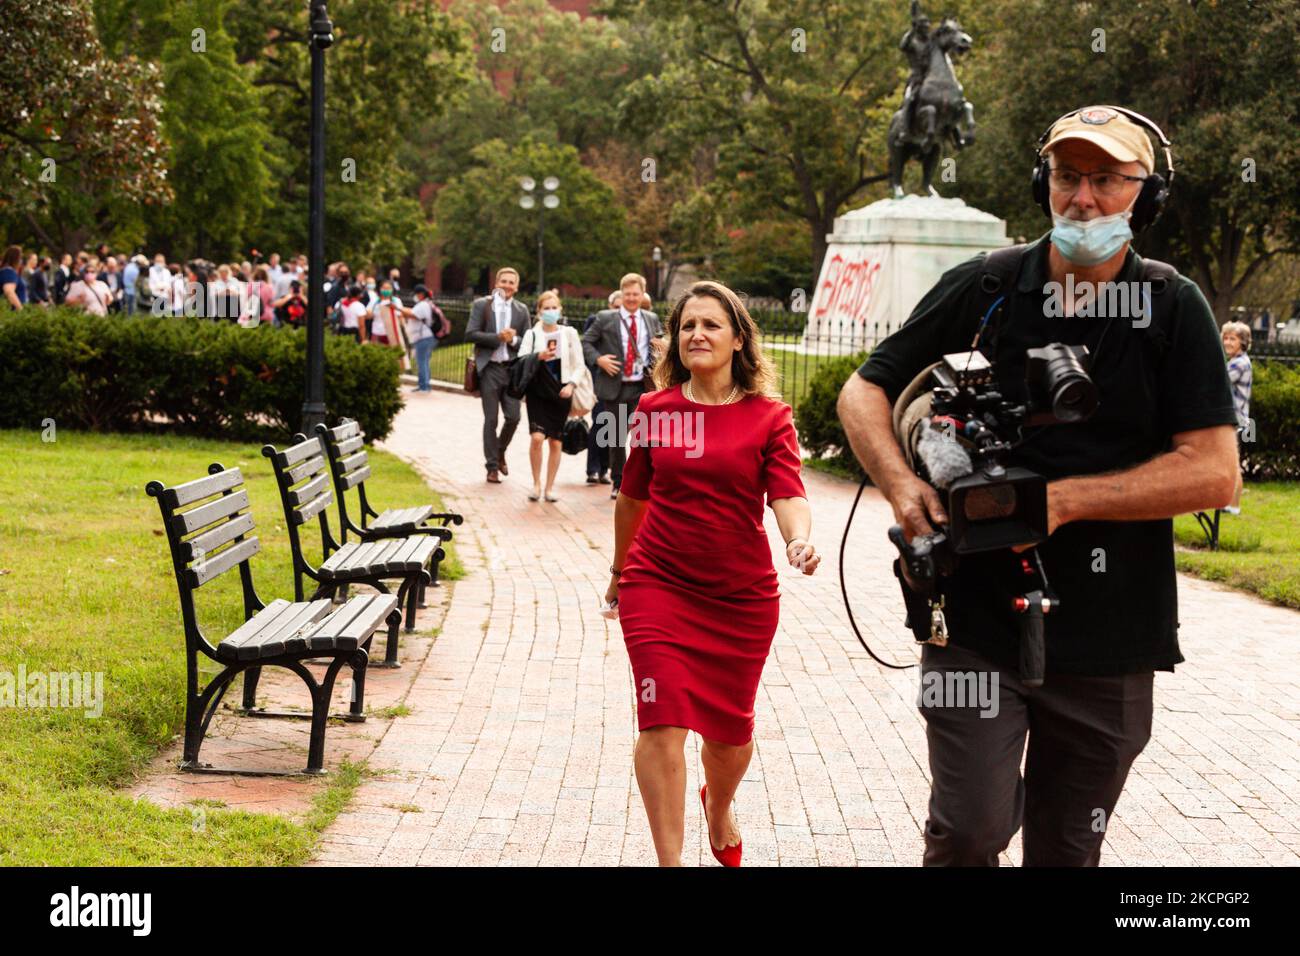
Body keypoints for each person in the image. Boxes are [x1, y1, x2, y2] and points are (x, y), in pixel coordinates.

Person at [838, 105, 1239, 866]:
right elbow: (864, 390)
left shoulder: (1173, 305)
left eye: (1106, 181)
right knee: (969, 830)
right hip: (973, 619)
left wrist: (1062, 502)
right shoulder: (988, 285)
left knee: (1066, 851)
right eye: (1065, 177)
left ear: (1145, 198)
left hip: (1112, 636)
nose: (1082, 198)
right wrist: (899, 485)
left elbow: (1215, 471)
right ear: (1042, 183)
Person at [606, 279, 819, 867]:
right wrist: (620, 570)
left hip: (740, 598)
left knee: (729, 737)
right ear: (674, 340)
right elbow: (632, 498)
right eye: (686, 326)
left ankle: (718, 805)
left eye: (711, 325)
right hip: (658, 582)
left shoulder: (768, 417)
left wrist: (798, 541)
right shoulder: (655, 410)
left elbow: (788, 493)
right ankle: (669, 863)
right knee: (662, 720)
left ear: (738, 339)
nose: (696, 334)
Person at [582, 273, 666, 499]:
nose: (631, 298)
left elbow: (659, 347)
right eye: (627, 294)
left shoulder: (650, 318)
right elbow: (586, 342)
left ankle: (644, 481)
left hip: (642, 387)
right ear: (622, 294)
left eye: (635, 294)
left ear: (642, 294)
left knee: (644, 437)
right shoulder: (605, 318)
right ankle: (619, 482)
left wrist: (661, 347)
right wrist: (599, 360)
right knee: (618, 438)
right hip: (616, 387)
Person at [466, 266, 531, 483]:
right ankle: (492, 466)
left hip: (512, 370)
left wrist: (512, 340)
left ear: (517, 286)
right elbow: (471, 334)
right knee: (491, 419)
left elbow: (528, 342)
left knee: (514, 417)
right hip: (490, 368)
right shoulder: (482, 306)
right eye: (503, 281)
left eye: (511, 282)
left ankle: (500, 450)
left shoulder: (521, 311)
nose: (507, 286)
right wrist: (497, 337)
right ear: (496, 283)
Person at [519, 290, 585, 501]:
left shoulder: (569, 333)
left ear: (560, 309)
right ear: (539, 312)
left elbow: (579, 364)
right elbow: (520, 361)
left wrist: (572, 385)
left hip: (561, 391)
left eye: (553, 307)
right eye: (546, 308)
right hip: (538, 391)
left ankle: (549, 487)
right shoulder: (533, 334)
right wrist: (538, 356)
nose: (550, 311)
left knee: (556, 442)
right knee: (537, 438)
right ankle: (536, 484)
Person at [583, 291, 619, 484]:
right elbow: (587, 347)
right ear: (609, 305)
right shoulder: (597, 320)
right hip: (599, 381)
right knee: (599, 423)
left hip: (620, 385)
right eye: (616, 306)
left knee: (613, 427)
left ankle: (605, 469)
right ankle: (593, 468)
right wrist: (598, 362)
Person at [1222, 320, 1253, 514]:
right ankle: (1230, 504)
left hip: (1236, 419)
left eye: (1232, 338)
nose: (1227, 342)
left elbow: (1219, 381)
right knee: (1231, 462)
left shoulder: (1239, 364)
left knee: (1233, 463)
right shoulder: (1235, 362)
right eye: (1225, 338)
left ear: (1242, 342)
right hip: (1235, 418)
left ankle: (1233, 506)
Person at [399, 284, 447, 392]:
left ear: (420, 294)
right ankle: (423, 384)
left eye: (416, 294)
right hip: (425, 337)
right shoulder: (426, 304)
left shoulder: (423, 305)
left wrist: (398, 308)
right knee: (423, 361)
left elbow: (414, 315)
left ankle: (424, 386)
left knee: (421, 362)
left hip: (423, 338)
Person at [367, 279, 405, 349]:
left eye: (388, 288)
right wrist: (369, 314)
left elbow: (400, 317)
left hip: (392, 334)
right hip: (377, 333)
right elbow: (368, 316)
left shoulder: (396, 301)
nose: (386, 290)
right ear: (380, 289)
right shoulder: (374, 301)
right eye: (384, 288)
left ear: (392, 289)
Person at [1, 245, 27, 309]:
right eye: (20, 258)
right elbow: (9, 291)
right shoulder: (8, 272)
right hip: (14, 313)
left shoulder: (7, 271)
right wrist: (20, 309)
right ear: (15, 258)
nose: (21, 261)